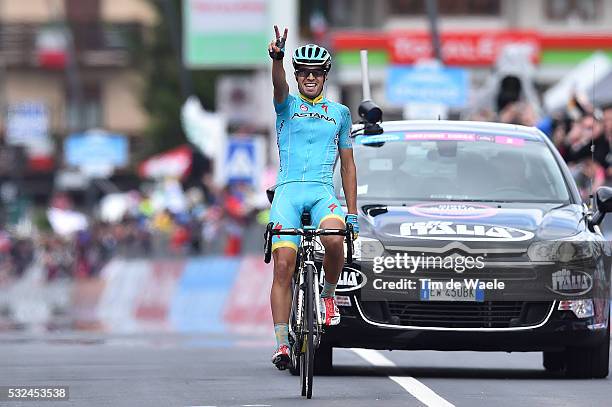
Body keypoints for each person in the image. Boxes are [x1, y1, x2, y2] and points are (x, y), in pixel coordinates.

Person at [267, 26, 359, 370]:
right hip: (288, 191)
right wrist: (277, 59)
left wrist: (352, 212)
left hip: (322, 191)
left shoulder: (340, 113)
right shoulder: (286, 105)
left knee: (335, 240)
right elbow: (278, 84)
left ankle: (329, 295)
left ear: (324, 77)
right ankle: (281, 344)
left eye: (315, 74)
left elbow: (348, 166)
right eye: (303, 73)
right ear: (297, 75)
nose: (309, 78)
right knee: (283, 266)